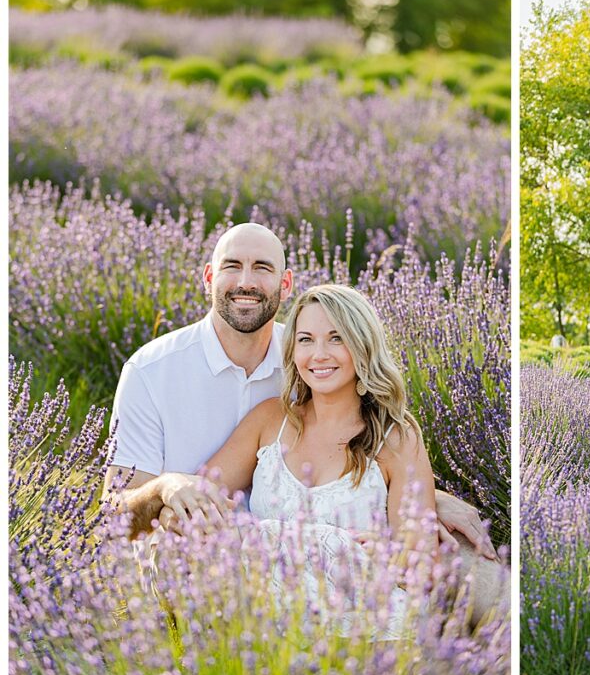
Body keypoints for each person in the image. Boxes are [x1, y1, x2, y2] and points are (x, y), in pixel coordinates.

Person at [102, 225, 498, 571]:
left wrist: (426, 500)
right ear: (208, 277)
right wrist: (165, 490)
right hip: (215, 556)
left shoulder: (303, 355)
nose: (246, 281)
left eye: (262, 267)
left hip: (347, 582)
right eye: (231, 266)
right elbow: (116, 516)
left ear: (285, 284)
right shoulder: (152, 372)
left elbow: (380, 465)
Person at [155, 283, 444, 639]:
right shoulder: (270, 421)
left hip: (356, 623)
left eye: (336, 338)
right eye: (306, 340)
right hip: (263, 618)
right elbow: (197, 499)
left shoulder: (395, 439)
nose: (318, 354)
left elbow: (419, 558)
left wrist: (390, 552)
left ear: (362, 346)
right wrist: (176, 506)